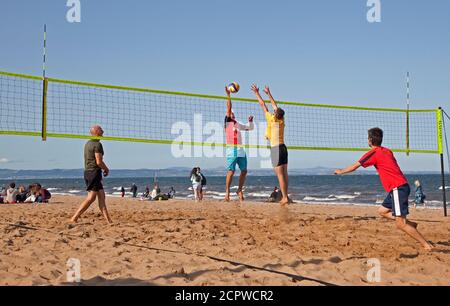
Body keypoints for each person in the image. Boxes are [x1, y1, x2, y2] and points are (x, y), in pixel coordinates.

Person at [334, 128, 433, 251]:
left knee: (400, 224)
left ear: (370, 140)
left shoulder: (373, 153)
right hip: (399, 187)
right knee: (382, 211)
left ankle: (426, 245)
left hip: (398, 188)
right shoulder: (387, 151)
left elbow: (355, 166)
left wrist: (340, 171)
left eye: (368, 138)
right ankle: (410, 224)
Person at [251, 84, 290, 205]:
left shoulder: (271, 119)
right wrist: (269, 93)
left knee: (280, 176)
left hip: (275, 149)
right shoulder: (281, 121)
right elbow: (275, 106)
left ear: (275, 114)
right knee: (284, 173)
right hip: (283, 148)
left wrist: (257, 93)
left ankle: (285, 197)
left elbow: (263, 105)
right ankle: (285, 196)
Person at [70, 125, 113, 224]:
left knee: (101, 196)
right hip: (93, 172)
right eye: (101, 129)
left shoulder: (88, 143)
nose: (103, 131)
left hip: (90, 172)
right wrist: (106, 169)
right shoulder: (97, 145)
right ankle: (74, 217)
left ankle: (109, 221)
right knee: (91, 197)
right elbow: (98, 161)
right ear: (97, 132)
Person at [224, 87, 254, 202]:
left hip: (240, 149)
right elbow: (229, 107)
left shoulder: (237, 124)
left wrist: (250, 121)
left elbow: (249, 128)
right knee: (231, 172)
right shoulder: (227, 122)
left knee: (244, 171)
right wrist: (228, 95)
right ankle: (227, 192)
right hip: (232, 149)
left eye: (233, 114)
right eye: (230, 114)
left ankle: (239, 190)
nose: (232, 115)